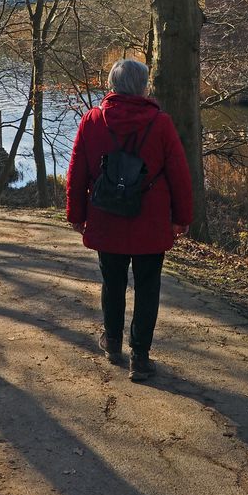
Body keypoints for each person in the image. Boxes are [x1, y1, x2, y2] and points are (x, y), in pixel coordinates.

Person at [66, 58, 193, 382]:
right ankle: (140, 356)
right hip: (149, 222)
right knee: (148, 287)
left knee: (113, 283)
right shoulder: (160, 123)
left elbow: (77, 172)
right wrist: (181, 218)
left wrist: (77, 215)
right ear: (143, 86)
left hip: (107, 218)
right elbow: (179, 175)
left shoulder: (93, 120)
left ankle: (111, 342)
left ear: (112, 85)